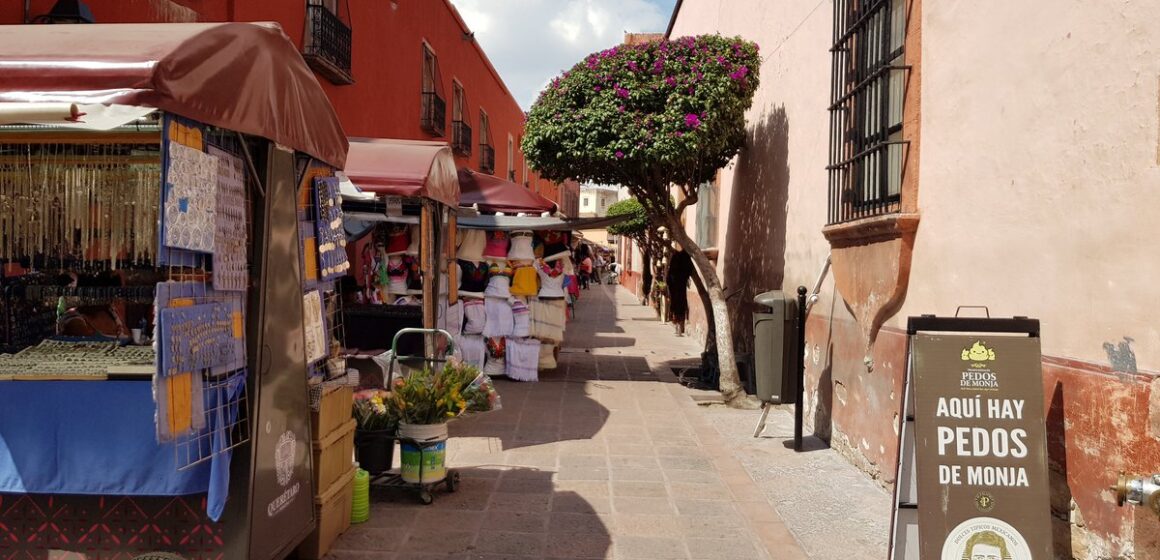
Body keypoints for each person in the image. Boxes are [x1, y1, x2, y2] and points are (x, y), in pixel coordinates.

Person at [666, 247, 694, 336]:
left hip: (674, 287)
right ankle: (679, 327)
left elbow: (669, 274)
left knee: (675, 305)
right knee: (681, 305)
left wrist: (670, 284)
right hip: (681, 286)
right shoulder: (686, 258)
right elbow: (689, 270)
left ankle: (678, 327)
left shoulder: (675, 257)